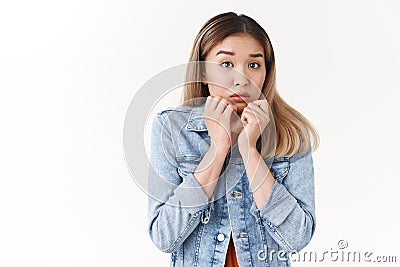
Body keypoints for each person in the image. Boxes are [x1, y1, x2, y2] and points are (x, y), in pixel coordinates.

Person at [147, 12, 319, 267]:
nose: (242, 79)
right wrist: (217, 150)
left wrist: (249, 152)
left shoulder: (292, 133)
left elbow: (298, 237)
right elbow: (164, 237)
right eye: (226, 64)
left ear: (266, 72)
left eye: (253, 65)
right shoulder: (171, 129)